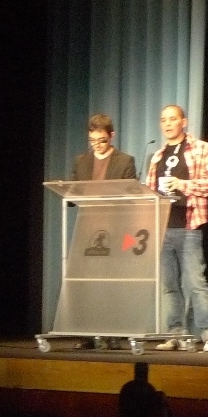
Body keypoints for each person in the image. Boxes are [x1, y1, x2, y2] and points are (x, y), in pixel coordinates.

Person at [145, 105, 208, 352]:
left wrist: (182, 184)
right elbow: (149, 190)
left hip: (189, 225)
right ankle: (175, 334)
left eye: (173, 119)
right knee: (169, 286)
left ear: (184, 122)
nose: (168, 124)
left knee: (195, 282)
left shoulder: (202, 149)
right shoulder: (157, 156)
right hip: (162, 226)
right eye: (163, 120)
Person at [72, 113, 137, 350]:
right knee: (87, 284)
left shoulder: (125, 161)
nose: (97, 145)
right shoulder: (80, 161)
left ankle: (113, 333)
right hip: (87, 230)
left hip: (115, 229)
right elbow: (73, 193)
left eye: (101, 140)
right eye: (92, 141)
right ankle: (87, 334)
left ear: (112, 136)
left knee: (112, 283)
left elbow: (131, 194)